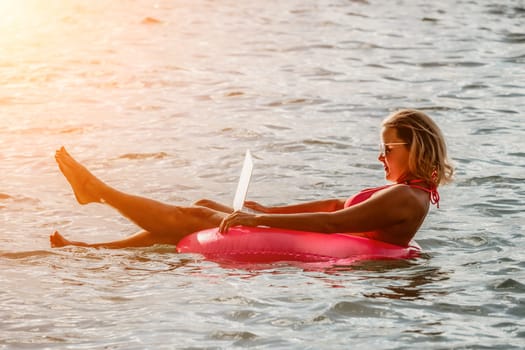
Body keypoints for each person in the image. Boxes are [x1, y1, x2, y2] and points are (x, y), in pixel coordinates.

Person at [50, 109, 453, 249]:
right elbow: (333, 206)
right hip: (317, 234)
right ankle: (95, 247)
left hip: (318, 245)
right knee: (208, 204)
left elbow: (334, 224)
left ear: (414, 147)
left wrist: (257, 222)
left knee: (194, 215)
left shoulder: (406, 197)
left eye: (388, 149)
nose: (379, 155)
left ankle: (98, 192)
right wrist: (269, 209)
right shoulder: (405, 191)